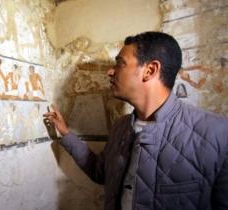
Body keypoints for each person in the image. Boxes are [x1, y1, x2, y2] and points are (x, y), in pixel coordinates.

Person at [44, 31, 228, 210]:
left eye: (120, 63)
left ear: (150, 70)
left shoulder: (218, 134)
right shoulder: (120, 127)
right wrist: (66, 133)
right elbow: (100, 173)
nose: (110, 71)